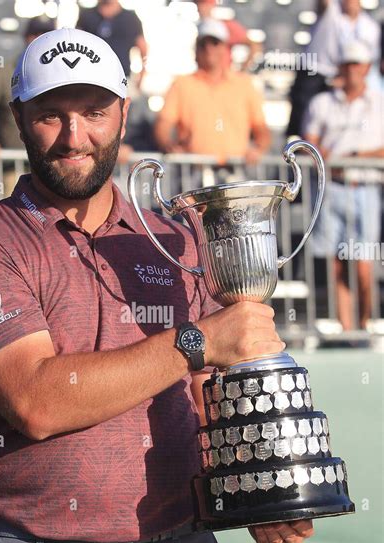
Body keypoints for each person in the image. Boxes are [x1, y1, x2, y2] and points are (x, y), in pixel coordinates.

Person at [0, 27, 314, 543]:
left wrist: (263, 490)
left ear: (124, 113)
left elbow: (205, 394)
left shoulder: (178, 240)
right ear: (18, 118)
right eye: (51, 115)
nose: (74, 136)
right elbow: (35, 401)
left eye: (94, 112)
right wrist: (198, 340)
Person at [303, 41, 383, 331]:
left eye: (356, 64)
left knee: (362, 267)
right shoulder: (321, 103)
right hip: (333, 189)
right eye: (347, 63)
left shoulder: (380, 103)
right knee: (337, 265)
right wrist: (322, 152)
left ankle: (363, 326)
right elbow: (308, 141)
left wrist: (356, 157)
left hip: (364, 188)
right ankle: (349, 331)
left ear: (366, 68)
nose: (351, 70)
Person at [154, 19, 271, 167]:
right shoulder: (181, 84)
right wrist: (169, 145)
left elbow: (261, 128)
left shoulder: (244, 84)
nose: (209, 48)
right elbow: (163, 123)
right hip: (195, 174)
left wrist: (258, 149)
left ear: (225, 48)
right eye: (204, 44)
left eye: (215, 43)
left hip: (236, 172)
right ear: (197, 49)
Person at [0, 15, 56, 196]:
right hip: (17, 169)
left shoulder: (61, 72)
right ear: (26, 37)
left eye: (46, 34)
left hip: (56, 167)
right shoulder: (5, 72)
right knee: (17, 222)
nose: (39, 39)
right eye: (35, 34)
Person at [287, 0, 380, 139]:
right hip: (314, 71)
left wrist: (348, 75)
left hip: (347, 77)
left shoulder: (370, 26)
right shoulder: (331, 11)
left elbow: (370, 58)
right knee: (303, 120)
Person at [76, 0, 147, 84]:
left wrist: (141, 76)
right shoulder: (86, 16)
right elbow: (76, 44)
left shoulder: (131, 18)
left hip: (122, 79)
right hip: (92, 79)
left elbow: (143, 48)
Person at [194, 0, 261, 71]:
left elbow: (254, 45)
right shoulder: (199, 26)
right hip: (203, 78)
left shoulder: (225, 26)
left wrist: (242, 70)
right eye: (198, 4)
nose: (209, 49)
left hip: (223, 77)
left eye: (215, 43)